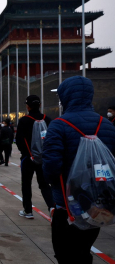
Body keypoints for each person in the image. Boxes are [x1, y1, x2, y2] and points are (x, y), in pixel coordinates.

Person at [43, 76, 115, 263]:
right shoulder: (107, 125)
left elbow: (51, 166)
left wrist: (52, 184)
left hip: (67, 204)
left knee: (64, 253)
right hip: (98, 201)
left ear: (66, 97)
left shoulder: (59, 125)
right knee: (83, 248)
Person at [15, 95, 55, 219]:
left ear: (27, 106)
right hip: (44, 158)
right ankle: (52, 207)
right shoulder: (48, 120)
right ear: (40, 105)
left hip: (28, 158)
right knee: (44, 184)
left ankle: (28, 211)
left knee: (26, 184)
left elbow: (19, 140)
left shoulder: (24, 120)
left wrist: (27, 153)